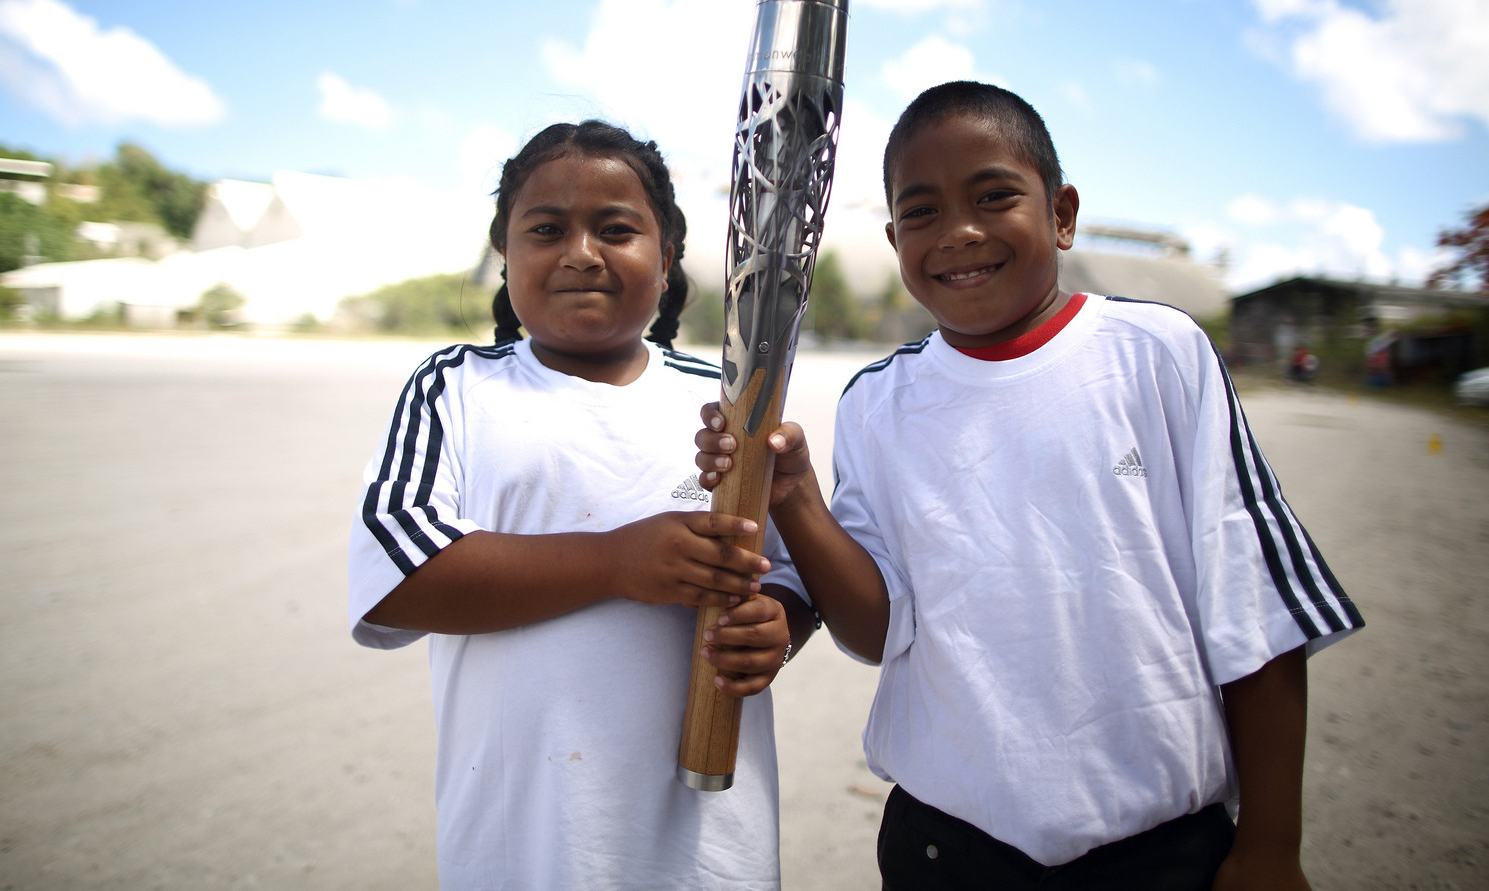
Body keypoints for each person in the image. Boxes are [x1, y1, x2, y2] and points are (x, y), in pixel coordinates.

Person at [695, 82, 1364, 889]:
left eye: (993, 195)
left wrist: (1269, 846)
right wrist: (794, 493)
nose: (959, 233)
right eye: (922, 212)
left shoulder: (1157, 355)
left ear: (1062, 212)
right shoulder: (878, 403)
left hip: (1160, 850)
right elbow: (877, 631)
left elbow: (1254, 614)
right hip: (947, 848)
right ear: (895, 236)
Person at [347, 120, 813, 891]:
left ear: (666, 259)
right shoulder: (457, 387)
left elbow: (790, 577)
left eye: (617, 228)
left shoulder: (727, 401)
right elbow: (399, 578)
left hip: (707, 853)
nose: (582, 252)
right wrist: (614, 562)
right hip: (523, 849)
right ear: (506, 253)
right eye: (547, 228)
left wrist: (781, 628)